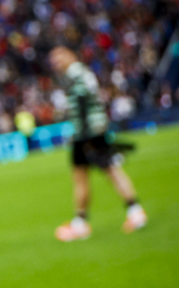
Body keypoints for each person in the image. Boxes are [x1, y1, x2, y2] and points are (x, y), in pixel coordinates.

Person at [48, 47, 147, 241]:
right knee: (99, 172)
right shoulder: (83, 73)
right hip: (91, 131)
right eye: (53, 60)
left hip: (86, 134)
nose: (56, 63)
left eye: (59, 57)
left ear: (70, 55)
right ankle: (132, 212)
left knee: (95, 174)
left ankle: (85, 223)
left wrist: (84, 134)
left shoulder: (75, 75)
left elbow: (83, 104)